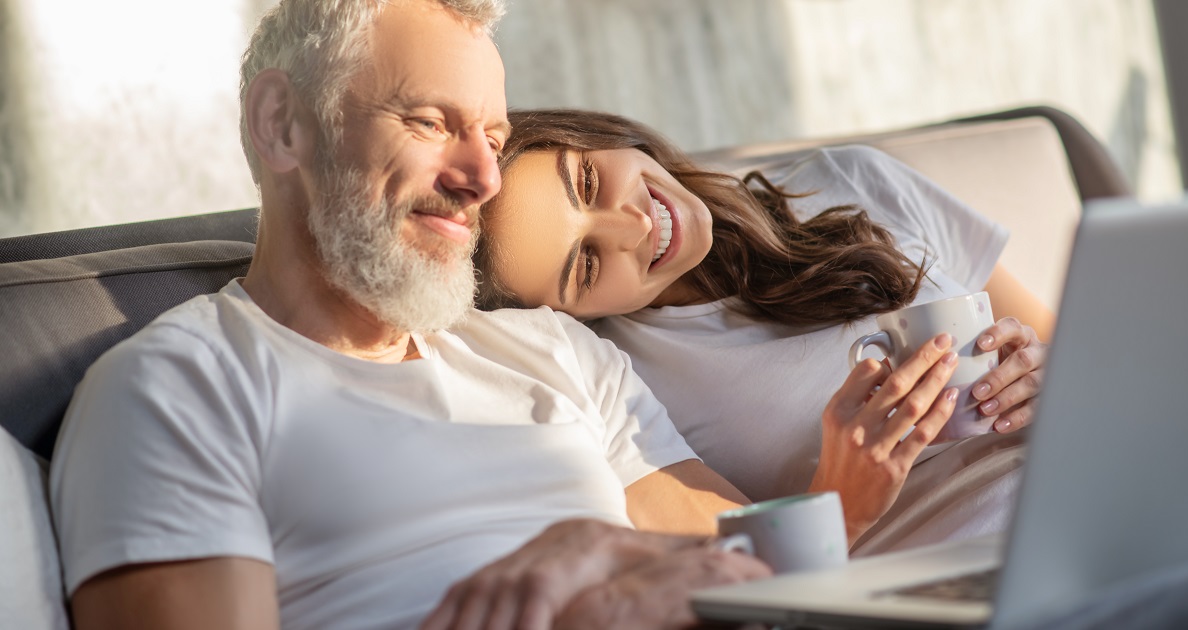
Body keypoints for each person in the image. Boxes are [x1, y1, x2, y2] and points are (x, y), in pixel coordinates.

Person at [47, 2, 967, 629]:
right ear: (283, 123)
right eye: (428, 122)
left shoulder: (551, 351)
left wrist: (597, 552)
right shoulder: (179, 389)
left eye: (489, 136)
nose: (483, 177)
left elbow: (748, 575)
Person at [473, 108, 1052, 553]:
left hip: (1099, 459)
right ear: (569, 315)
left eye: (590, 182)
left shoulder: (852, 177)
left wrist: (1041, 367)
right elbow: (733, 579)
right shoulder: (626, 382)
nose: (636, 224)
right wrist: (840, 491)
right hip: (996, 562)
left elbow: (1070, 340)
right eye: (588, 265)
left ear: (598, 135)